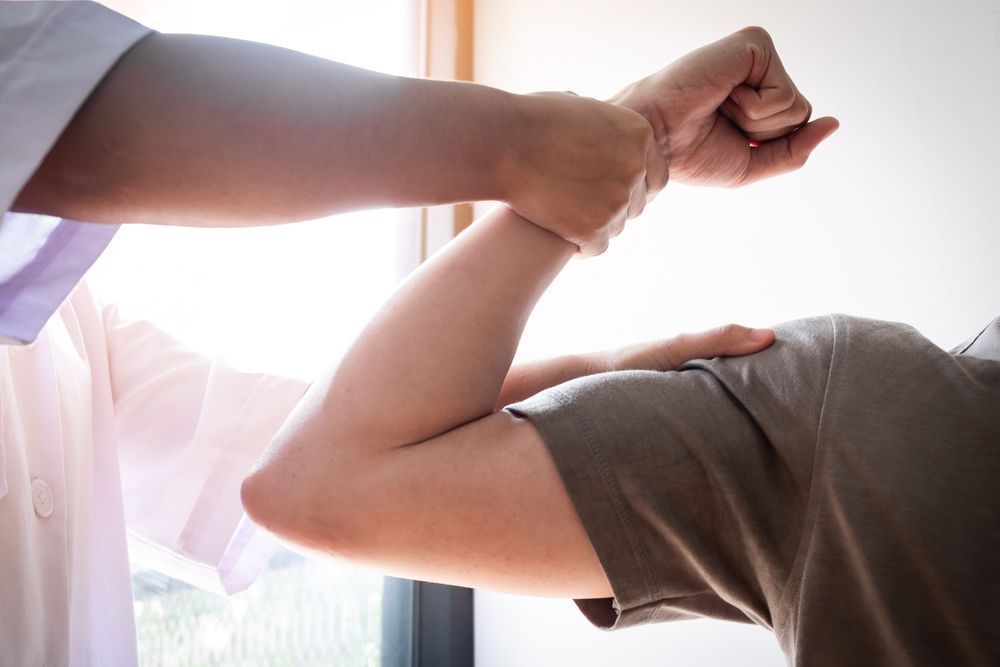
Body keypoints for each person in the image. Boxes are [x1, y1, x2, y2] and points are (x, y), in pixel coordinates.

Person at [0, 1, 831, 664]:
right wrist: (535, 143)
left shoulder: (68, 330)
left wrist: (607, 378)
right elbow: (66, 107)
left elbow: (322, 443)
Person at [240, 45, 1000, 667]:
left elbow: (325, 481)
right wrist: (618, 145)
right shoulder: (861, 412)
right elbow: (319, 483)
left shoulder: (864, 407)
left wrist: (631, 137)